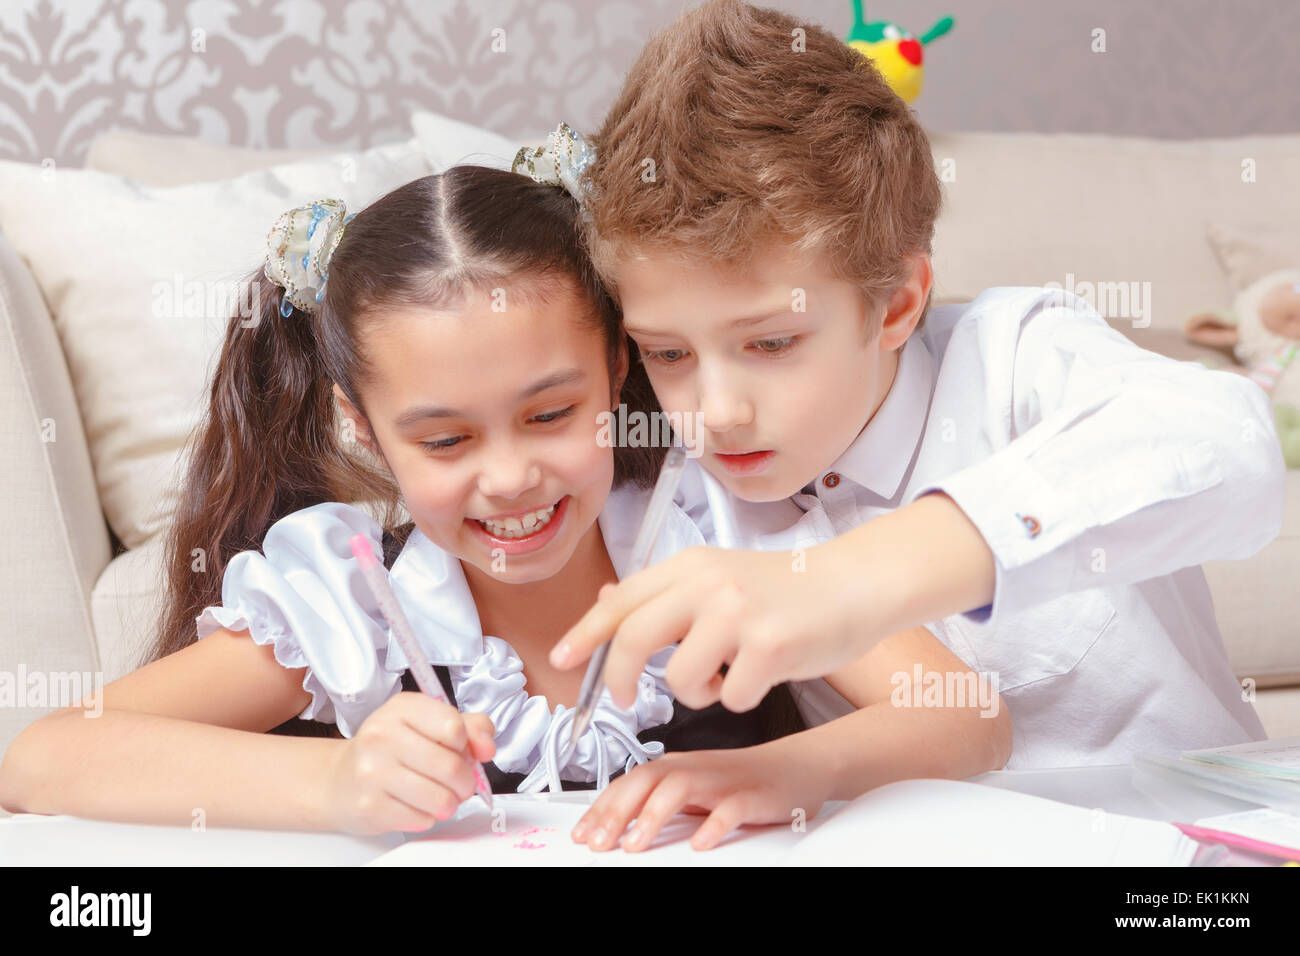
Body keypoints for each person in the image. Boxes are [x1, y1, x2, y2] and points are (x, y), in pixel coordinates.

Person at [0, 137, 1011, 849]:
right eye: (443, 437)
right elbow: (43, 760)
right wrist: (336, 782)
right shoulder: (352, 602)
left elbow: (964, 712)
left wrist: (778, 775)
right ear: (361, 425)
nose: (510, 476)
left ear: (617, 369)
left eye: (547, 414)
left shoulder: (716, 535)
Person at [552, 0, 1283, 850]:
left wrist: (854, 577)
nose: (715, 413)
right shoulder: (690, 499)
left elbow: (1230, 444)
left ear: (898, 299)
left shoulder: (1015, 358)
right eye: (668, 354)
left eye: (773, 341)